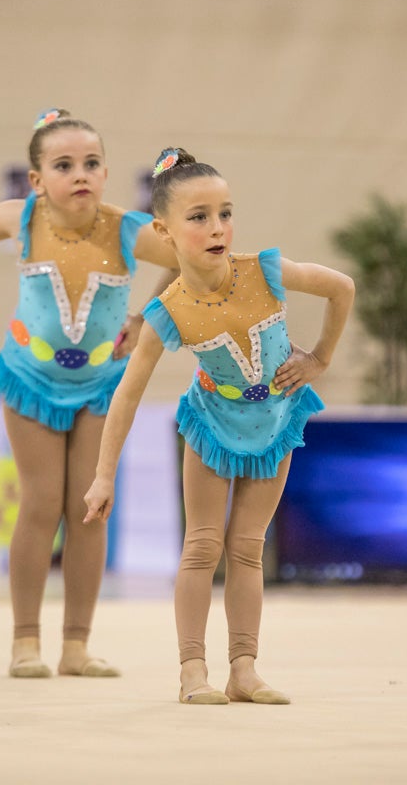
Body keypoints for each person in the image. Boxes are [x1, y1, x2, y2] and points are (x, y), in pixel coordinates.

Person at [0, 110, 177, 679]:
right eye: (63, 165)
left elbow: (192, 258)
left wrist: (148, 317)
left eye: (91, 163)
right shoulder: (22, 219)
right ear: (36, 180)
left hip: (99, 386)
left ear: (106, 171)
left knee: (88, 512)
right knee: (42, 504)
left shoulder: (128, 229)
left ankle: (76, 645)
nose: (80, 175)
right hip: (31, 381)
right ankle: (25, 640)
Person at [84, 148, 354, 704]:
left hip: (275, 423)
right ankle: (191, 672)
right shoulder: (168, 312)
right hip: (211, 425)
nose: (218, 228)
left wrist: (321, 357)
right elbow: (127, 394)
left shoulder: (266, 272)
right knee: (203, 547)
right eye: (199, 217)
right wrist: (104, 476)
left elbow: (341, 288)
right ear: (164, 230)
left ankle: (245, 669)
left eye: (225, 213)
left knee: (248, 548)